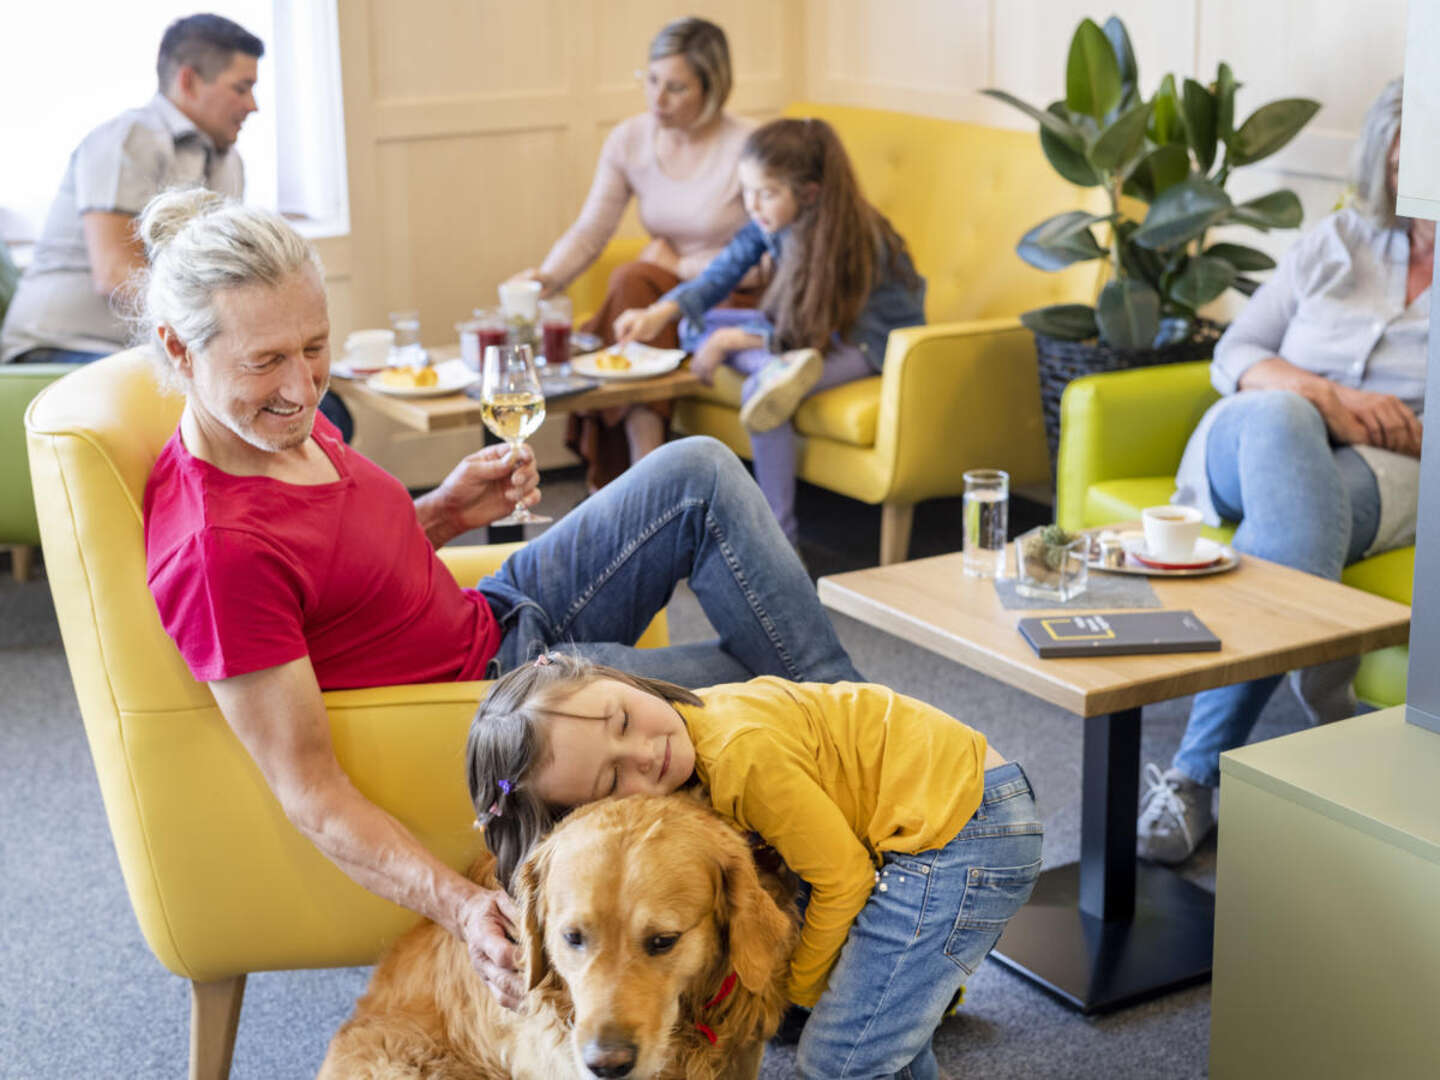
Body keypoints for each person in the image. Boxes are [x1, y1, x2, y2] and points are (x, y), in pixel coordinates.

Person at [136, 188, 864, 1010]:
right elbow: (308, 789)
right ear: (179, 348)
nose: (303, 388)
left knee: (696, 472)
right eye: (266, 361)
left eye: (314, 347)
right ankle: (884, 801)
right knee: (768, 694)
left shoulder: (273, 422)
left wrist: (441, 513)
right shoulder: (217, 554)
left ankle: (865, 763)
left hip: (495, 613)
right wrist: (459, 903)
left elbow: (336, 573)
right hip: (492, 702)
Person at [467, 654, 1043, 1079]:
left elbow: (843, 878)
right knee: (880, 1024)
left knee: (840, 1055)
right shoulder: (676, 741)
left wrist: (799, 988)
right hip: (949, 813)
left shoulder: (740, 755)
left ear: (616, 676)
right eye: (613, 782)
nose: (645, 753)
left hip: (965, 833)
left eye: (621, 721)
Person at [1139, 78, 1428, 866]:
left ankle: (1194, 774)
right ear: (1386, 154)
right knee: (1283, 417)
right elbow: (1235, 354)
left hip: (1391, 466)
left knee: (1301, 515)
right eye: (1406, 151)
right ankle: (1321, 676)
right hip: (1253, 434)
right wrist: (1324, 395)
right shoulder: (1336, 242)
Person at [0, 13, 353, 439]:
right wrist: (227, 339)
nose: (253, 105)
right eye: (241, 88)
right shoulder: (129, 139)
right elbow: (113, 272)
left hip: (143, 349)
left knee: (328, 409)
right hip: (56, 350)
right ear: (188, 81)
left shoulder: (229, 162)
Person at [614, 117, 927, 547]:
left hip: (867, 343)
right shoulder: (775, 220)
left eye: (767, 193)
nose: (754, 204)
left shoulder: (839, 233)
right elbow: (723, 271)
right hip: (811, 335)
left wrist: (727, 342)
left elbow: (809, 328)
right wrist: (658, 313)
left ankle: (779, 540)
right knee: (693, 325)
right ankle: (779, 366)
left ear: (809, 193)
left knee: (761, 398)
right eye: (746, 191)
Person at [509, 17, 761, 491]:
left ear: (713, 88)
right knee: (633, 285)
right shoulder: (631, 139)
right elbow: (591, 230)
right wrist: (545, 280)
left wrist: (679, 266)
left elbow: (766, 259)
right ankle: (645, 479)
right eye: (651, 81)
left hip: (734, 296)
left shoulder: (747, 146)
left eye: (677, 88)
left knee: (630, 285)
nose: (657, 99)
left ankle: (637, 481)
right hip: (662, 297)